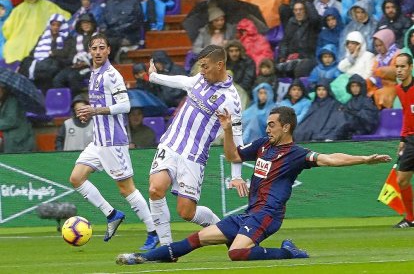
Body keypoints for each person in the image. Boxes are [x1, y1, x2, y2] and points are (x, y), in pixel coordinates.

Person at [115, 106, 391, 265]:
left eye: (272, 125)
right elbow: (233, 155)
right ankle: (142, 259)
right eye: (268, 124)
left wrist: (365, 158)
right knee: (195, 240)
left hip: (268, 214)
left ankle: (287, 252)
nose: (267, 128)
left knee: (236, 253)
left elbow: (331, 158)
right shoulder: (261, 146)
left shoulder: (296, 153)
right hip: (250, 213)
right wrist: (226, 130)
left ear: (286, 127)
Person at [69, 33, 159, 250]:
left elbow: (125, 105)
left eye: (102, 48)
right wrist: (89, 114)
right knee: (76, 178)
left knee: (126, 188)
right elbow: (97, 108)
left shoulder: (112, 75)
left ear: (108, 50)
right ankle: (112, 214)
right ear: (89, 51)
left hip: (113, 142)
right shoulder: (93, 74)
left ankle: (153, 232)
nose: (98, 52)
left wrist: (96, 110)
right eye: (94, 48)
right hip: (98, 141)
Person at [147, 44, 244, 246]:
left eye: (205, 66)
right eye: (200, 66)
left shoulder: (231, 99)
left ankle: (225, 231)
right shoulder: (200, 79)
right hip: (170, 143)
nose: (202, 71)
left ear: (220, 65)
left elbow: (237, 137)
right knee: (155, 190)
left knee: (186, 212)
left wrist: (236, 175)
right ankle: (166, 248)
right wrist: (155, 77)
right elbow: (184, 81)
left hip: (194, 156)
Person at [2, 0, 71, 64]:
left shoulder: (48, 5)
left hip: (38, 41)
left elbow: (7, 30)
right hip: (21, 42)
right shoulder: (19, 9)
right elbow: (8, 28)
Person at [393, 53, 414, 228]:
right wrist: (403, 138)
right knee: (402, 180)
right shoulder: (399, 90)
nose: (399, 70)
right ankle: (411, 218)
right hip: (411, 139)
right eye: (397, 67)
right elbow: (407, 115)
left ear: (411, 67)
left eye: (403, 66)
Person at [0, 83, 35, 153]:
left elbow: (11, 121)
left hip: (18, 140)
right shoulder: (3, 100)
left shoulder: (13, 100)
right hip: (8, 137)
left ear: (3, 89)